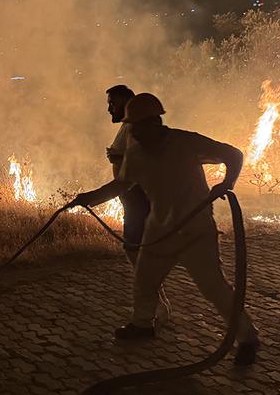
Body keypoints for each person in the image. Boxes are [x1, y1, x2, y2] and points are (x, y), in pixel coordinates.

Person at [70, 93, 260, 365]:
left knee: (213, 287)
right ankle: (142, 324)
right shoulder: (136, 151)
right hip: (159, 228)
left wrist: (227, 182)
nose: (133, 131)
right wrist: (88, 198)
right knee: (144, 280)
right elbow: (122, 184)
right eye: (131, 126)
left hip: (194, 228)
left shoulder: (186, 142)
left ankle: (248, 339)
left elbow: (233, 154)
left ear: (155, 122)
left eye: (137, 126)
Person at [105, 85, 171, 319]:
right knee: (137, 251)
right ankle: (157, 302)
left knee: (138, 251)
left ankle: (154, 306)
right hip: (132, 199)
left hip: (138, 198)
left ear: (127, 103)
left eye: (113, 103)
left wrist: (119, 157)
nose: (109, 108)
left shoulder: (135, 128)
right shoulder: (127, 127)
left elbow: (146, 157)